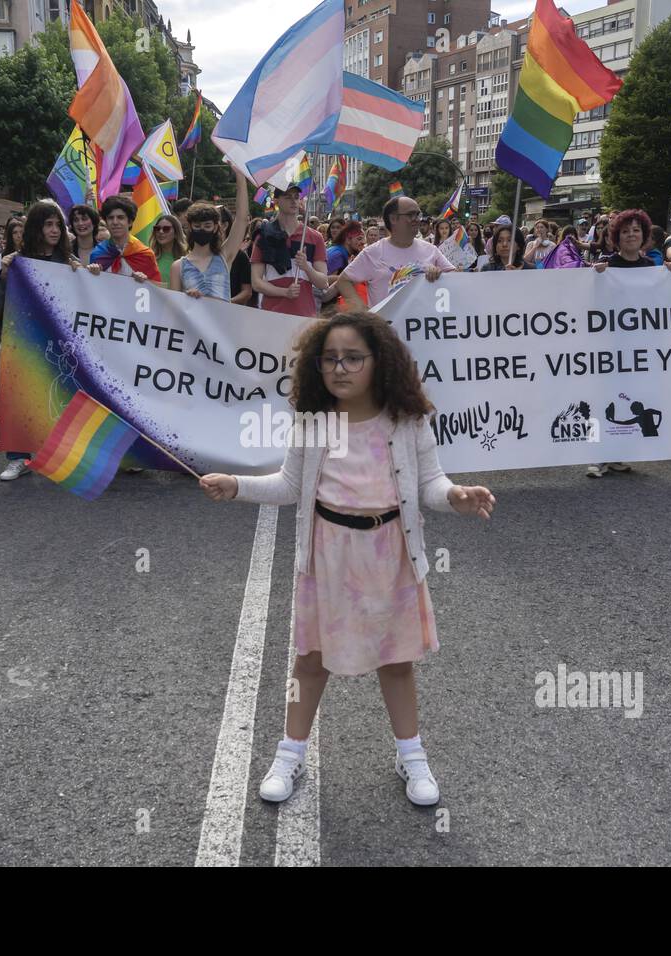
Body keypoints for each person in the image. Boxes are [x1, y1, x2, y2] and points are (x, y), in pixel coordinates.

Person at [198, 311, 495, 807]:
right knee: (311, 662)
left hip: (391, 555)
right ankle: (290, 754)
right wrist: (236, 487)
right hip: (329, 555)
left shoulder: (407, 419)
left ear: (380, 362)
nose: (339, 368)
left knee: (397, 662)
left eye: (353, 358)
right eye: (330, 359)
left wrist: (456, 497)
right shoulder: (318, 421)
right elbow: (290, 485)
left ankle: (412, 755)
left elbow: (430, 485)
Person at [588, 209, 671, 479]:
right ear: (616, 236)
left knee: (627, 400)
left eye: (636, 230)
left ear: (644, 236)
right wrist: (595, 276)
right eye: (625, 231)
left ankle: (616, 454)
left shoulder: (652, 268)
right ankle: (595, 455)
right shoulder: (606, 265)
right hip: (609, 346)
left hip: (639, 348)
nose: (631, 235)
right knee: (600, 398)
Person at [0, 199, 80, 480]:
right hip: (26, 340)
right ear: (36, 228)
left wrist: (90, 275)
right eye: (48, 224)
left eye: (58, 224)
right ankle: (18, 457)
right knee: (20, 396)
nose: (55, 230)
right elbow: (5, 303)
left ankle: (62, 453)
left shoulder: (69, 263)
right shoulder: (17, 263)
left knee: (61, 395)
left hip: (60, 342)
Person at [337, 195, 455, 308]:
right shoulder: (372, 253)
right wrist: (364, 311)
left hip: (421, 326)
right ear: (393, 218)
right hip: (385, 327)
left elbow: (457, 278)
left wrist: (440, 274)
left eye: (418, 214)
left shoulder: (431, 250)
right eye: (411, 215)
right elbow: (343, 281)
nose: (417, 219)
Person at [170, 166, 249, 301]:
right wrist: (187, 296)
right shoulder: (178, 266)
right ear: (189, 226)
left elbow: (242, 219)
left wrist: (240, 177)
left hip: (222, 322)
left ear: (215, 227)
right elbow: (174, 306)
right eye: (197, 226)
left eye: (207, 226)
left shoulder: (225, 256)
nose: (202, 230)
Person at [250, 186, 329, 317]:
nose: (293, 201)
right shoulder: (263, 235)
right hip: (272, 315)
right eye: (288, 197)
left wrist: (306, 268)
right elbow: (256, 283)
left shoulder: (315, 237)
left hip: (305, 316)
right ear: (276, 201)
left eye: (296, 197)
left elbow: (323, 283)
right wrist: (285, 292)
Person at [88, 195, 159, 282]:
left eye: (120, 217)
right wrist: (93, 275)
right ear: (106, 222)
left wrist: (145, 281)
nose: (115, 222)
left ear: (130, 222)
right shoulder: (97, 254)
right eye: (110, 218)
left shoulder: (145, 255)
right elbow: (92, 289)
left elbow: (156, 290)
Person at [217, 205, 252, 305]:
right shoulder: (202, 253)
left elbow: (247, 292)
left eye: (213, 222)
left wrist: (226, 303)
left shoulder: (240, 256)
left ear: (224, 225)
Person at [149, 213, 187, 289]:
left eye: (166, 229)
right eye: (157, 228)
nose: (161, 232)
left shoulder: (188, 259)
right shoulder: (149, 257)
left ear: (176, 233)